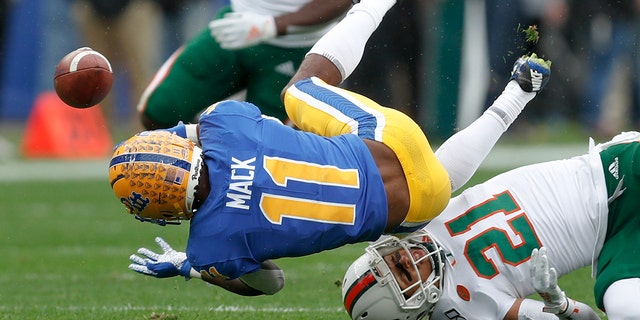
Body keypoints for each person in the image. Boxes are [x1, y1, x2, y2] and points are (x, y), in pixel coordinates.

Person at [110, 0, 550, 298]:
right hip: (387, 136)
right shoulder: (224, 125)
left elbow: (271, 283)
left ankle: (517, 94)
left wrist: (195, 266)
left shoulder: (214, 246)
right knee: (297, 92)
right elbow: (208, 134)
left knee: (432, 187)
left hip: (412, 207)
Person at [341, 133, 640, 319]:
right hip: (617, 246)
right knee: (627, 312)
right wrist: (557, 301)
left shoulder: (412, 220)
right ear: (414, 305)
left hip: (611, 173)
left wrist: (513, 98)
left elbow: (450, 164)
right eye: (404, 272)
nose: (406, 257)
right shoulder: (467, 309)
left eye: (394, 258)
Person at [136, 0, 353, 129]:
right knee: (159, 111)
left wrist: (272, 25)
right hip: (235, 27)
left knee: (262, 153)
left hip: (297, 49)